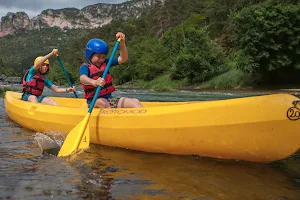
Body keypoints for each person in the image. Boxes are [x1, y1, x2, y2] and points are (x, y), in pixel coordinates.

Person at [80, 32, 143, 108]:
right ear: (90, 54)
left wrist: (122, 43)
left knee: (135, 102)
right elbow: (82, 78)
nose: (101, 59)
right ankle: (113, 118)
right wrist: (93, 82)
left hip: (109, 99)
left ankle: (142, 118)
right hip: (93, 102)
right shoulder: (85, 67)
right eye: (98, 56)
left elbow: (123, 58)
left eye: (103, 57)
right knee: (103, 103)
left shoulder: (106, 62)